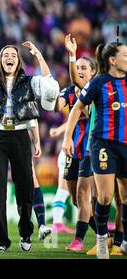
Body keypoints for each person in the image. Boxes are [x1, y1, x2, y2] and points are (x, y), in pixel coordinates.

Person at [0, 41, 59, 252]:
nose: (9, 57)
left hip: (20, 136)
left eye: (13, 55)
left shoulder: (29, 81)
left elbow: (48, 81)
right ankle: (1, 240)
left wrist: (38, 54)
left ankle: (26, 233)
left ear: (18, 61)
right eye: (5, 54)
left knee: (25, 189)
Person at [62, 41, 127, 259]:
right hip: (103, 144)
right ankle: (101, 240)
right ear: (112, 60)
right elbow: (77, 106)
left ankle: (122, 241)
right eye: (125, 55)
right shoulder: (99, 82)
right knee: (105, 197)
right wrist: (67, 137)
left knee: (124, 198)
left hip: (125, 144)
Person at [54, 34, 98, 252]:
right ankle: (102, 232)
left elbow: (76, 79)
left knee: (83, 195)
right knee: (76, 200)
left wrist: (72, 54)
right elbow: (54, 107)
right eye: (77, 66)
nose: (79, 70)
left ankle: (79, 241)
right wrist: (49, 91)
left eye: (84, 67)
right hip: (72, 150)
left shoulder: (96, 90)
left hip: (91, 149)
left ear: (93, 73)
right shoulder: (70, 92)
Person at [29, 121, 53, 241]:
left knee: (32, 181)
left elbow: (32, 119)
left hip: (20, 141)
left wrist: (37, 142)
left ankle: (41, 226)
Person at [49, 124, 74, 234]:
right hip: (70, 151)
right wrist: (59, 130)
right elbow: (75, 117)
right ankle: (57, 223)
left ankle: (57, 223)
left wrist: (59, 130)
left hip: (77, 150)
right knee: (63, 190)